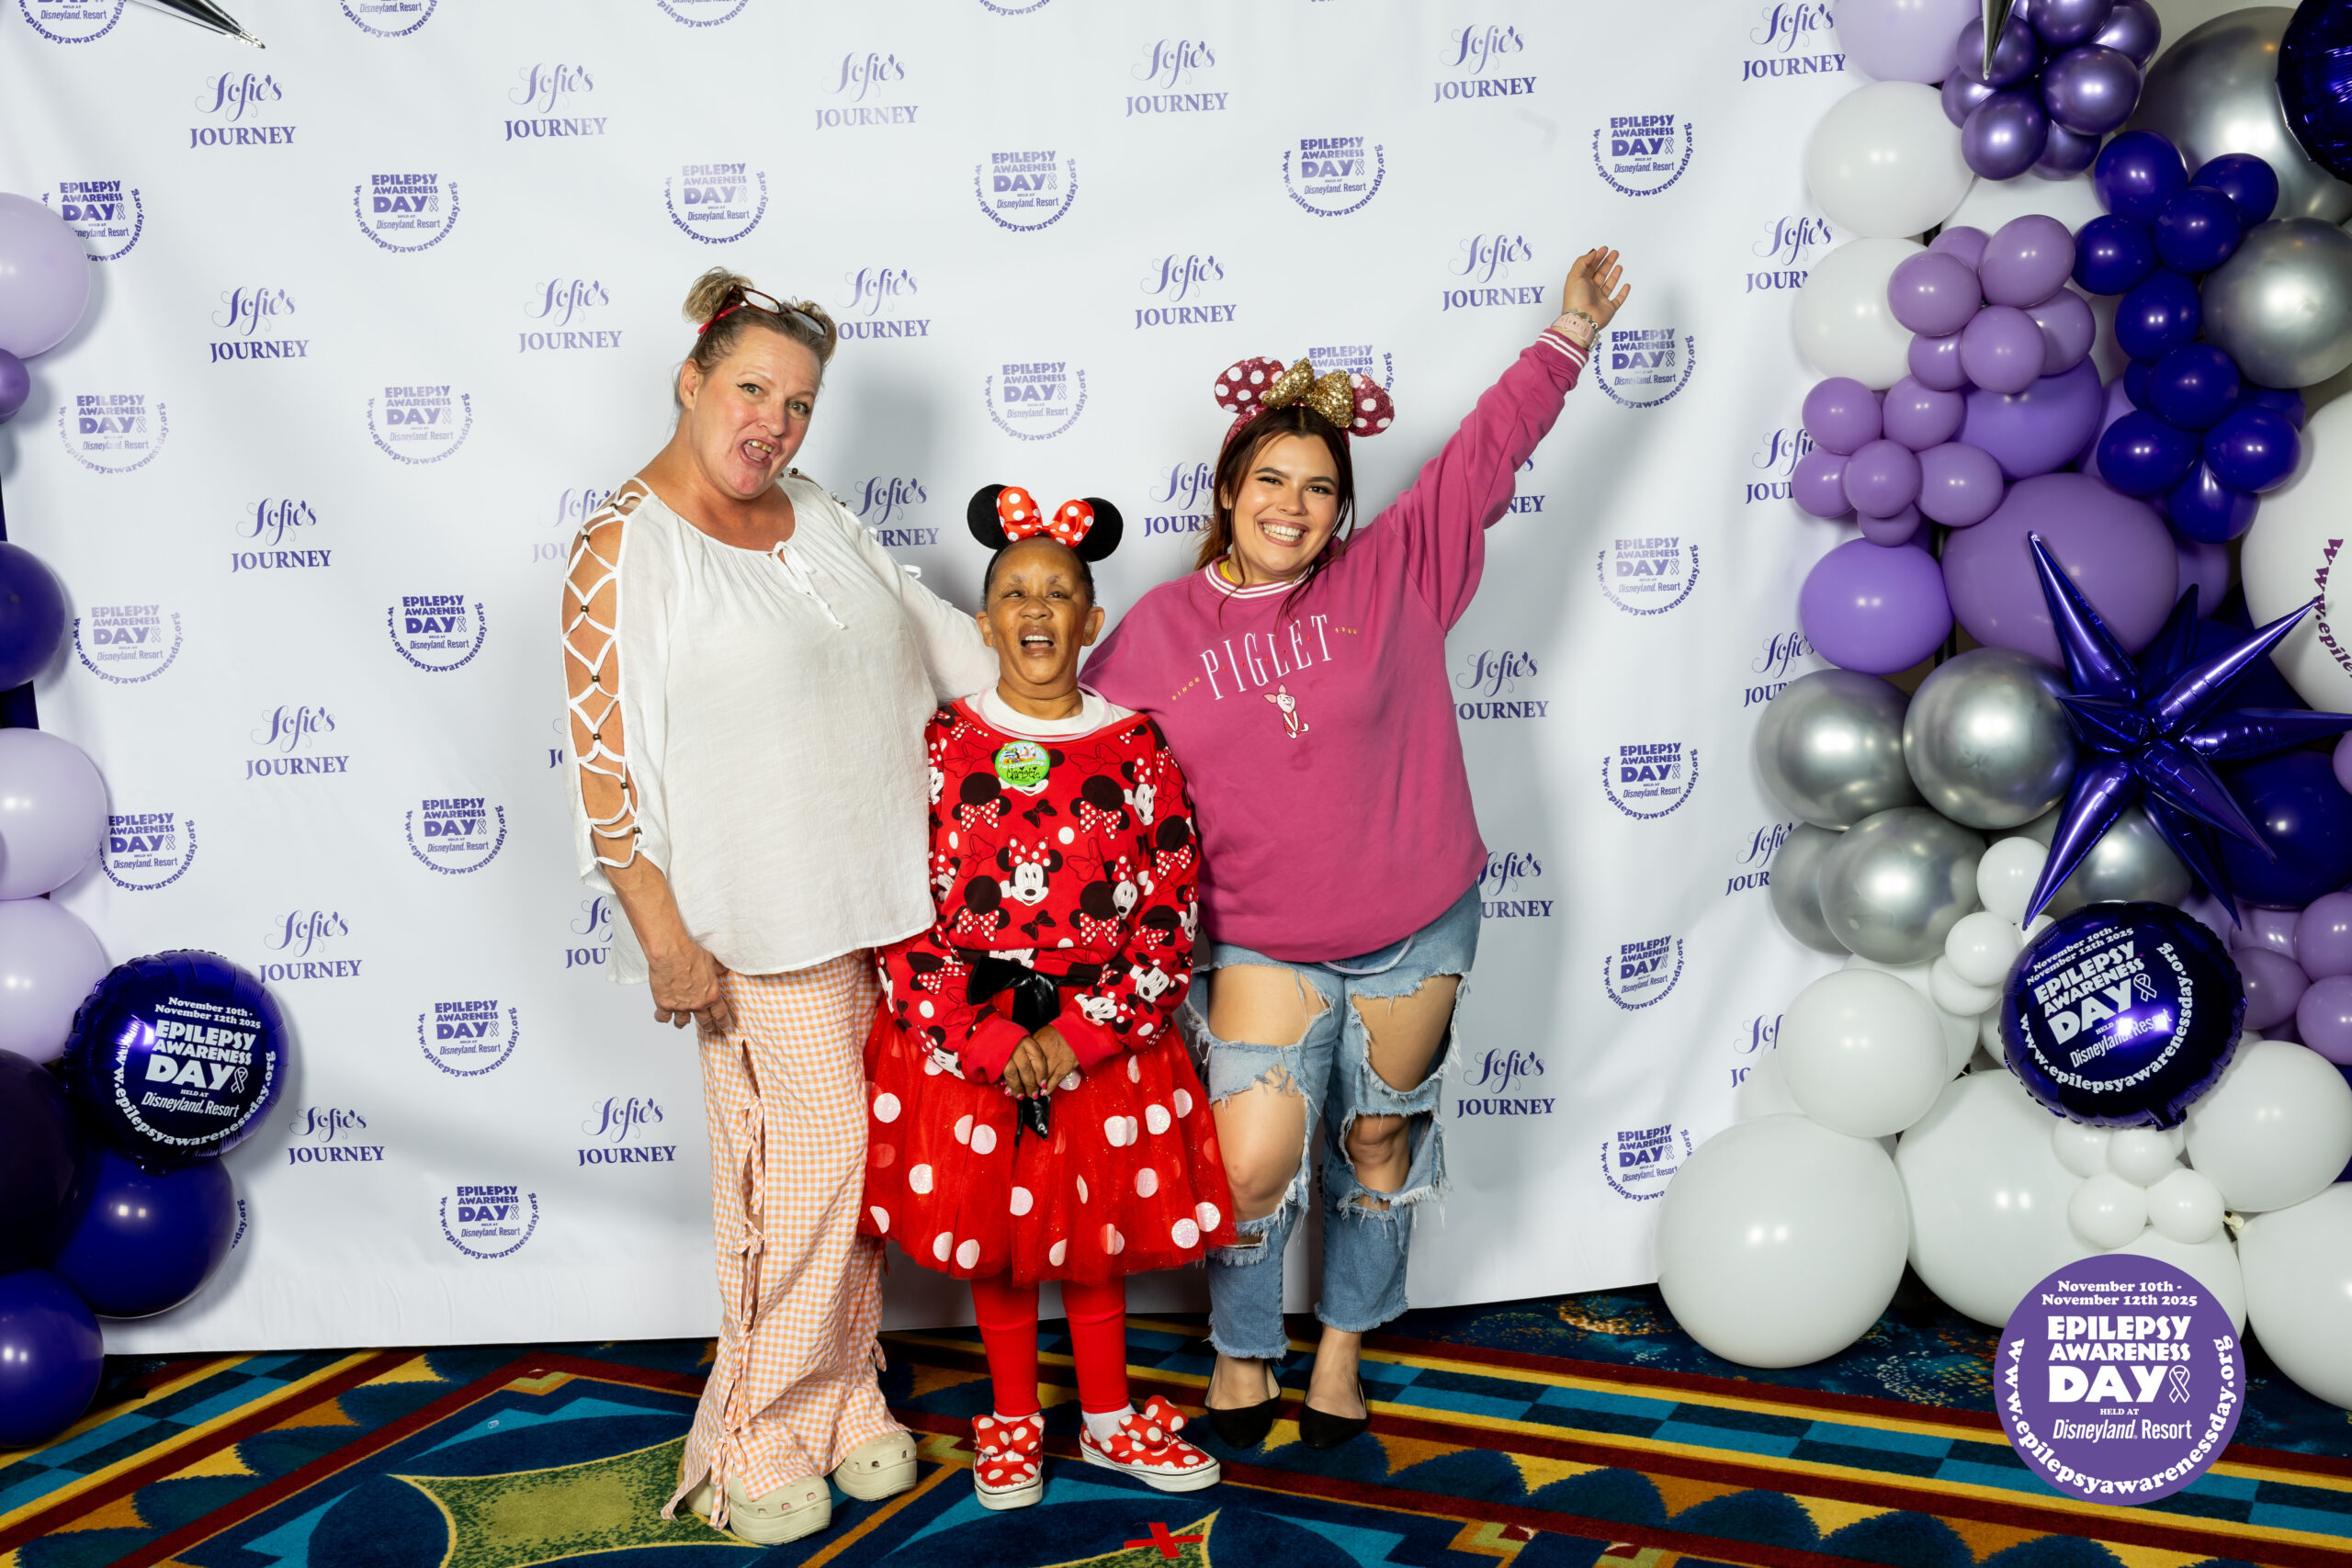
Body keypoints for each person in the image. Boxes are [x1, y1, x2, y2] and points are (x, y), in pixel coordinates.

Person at [1081, 249, 1632, 1452]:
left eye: (1320, 487)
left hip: (1415, 919)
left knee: (1378, 1136)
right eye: (1270, 479)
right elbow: (1082, 773)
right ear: (1228, 490)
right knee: (1251, 1161)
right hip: (1259, 939)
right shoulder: (1155, 633)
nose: (1293, 505)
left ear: (1342, 507)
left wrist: (1569, 336)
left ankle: (1342, 1345)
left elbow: (1483, 455)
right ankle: (1241, 1348)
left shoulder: (1394, 572)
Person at [560, 268, 997, 1545]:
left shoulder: (818, 510)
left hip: (887, 899)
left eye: (799, 403)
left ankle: (845, 1395)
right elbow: (602, 769)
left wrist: (1065, 662)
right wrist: (662, 936)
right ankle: (754, 1428)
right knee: (806, 1169)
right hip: (755, 921)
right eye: (752, 389)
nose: (775, 423)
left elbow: (946, 647)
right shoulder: (624, 545)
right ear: (690, 380)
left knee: (862, 1167)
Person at [858, 484, 1237, 1508]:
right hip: (974, 1042)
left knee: (1094, 1233)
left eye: (1059, 592)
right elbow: (900, 904)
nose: (1037, 608)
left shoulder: (1137, 746)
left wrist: (1079, 1033)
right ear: (984, 624)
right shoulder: (941, 745)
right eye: (1015, 593)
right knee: (1001, 1239)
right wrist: (978, 1036)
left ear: (1091, 620)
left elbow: (1167, 908)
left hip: (1097, 1040)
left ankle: (1108, 1418)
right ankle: (1013, 1418)